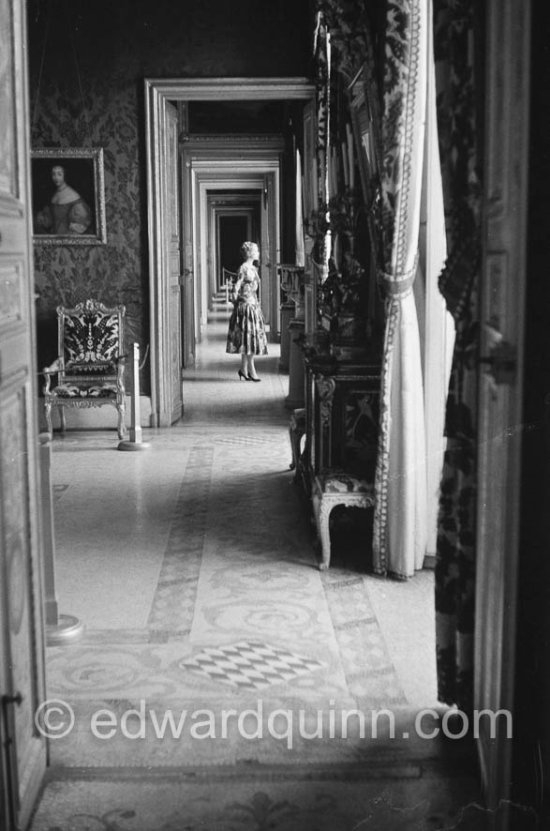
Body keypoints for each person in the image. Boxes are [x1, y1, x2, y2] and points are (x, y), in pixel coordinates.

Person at [226, 241, 268, 381]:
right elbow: (236, 287)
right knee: (248, 339)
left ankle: (244, 369)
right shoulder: (244, 268)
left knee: (249, 339)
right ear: (250, 253)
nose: (258, 253)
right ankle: (251, 369)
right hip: (245, 308)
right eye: (256, 250)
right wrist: (237, 299)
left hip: (253, 306)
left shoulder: (253, 268)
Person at [34, 164, 92, 235]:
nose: (56, 178)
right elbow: (50, 220)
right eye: (53, 174)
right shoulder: (54, 195)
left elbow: (82, 221)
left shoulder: (73, 195)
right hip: (55, 236)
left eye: (59, 174)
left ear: (65, 176)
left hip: (68, 237)